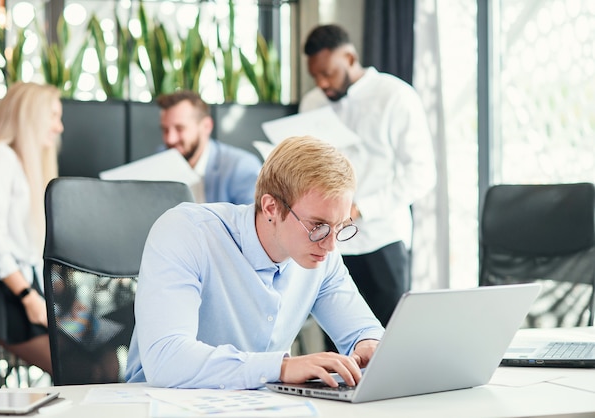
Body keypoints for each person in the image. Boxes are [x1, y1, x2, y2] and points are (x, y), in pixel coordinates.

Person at [125, 135, 384, 389]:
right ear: (271, 207)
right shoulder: (187, 232)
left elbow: (363, 331)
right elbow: (166, 359)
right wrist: (281, 368)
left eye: (339, 226)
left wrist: (369, 345)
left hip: (256, 406)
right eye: (318, 226)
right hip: (161, 403)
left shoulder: (322, 256)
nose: (331, 245)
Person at [300, 24, 436, 328]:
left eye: (328, 73)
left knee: (390, 339)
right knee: (335, 343)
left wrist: (360, 208)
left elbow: (422, 172)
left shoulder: (395, 96)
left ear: (349, 58)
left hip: (382, 237)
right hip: (331, 244)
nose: (322, 83)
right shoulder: (312, 104)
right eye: (316, 76)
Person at [0, 82, 64, 376]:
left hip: (18, 284)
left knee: (98, 358)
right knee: (77, 368)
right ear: (30, 115)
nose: (59, 127)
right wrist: (28, 297)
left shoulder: (20, 163)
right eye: (53, 116)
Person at [157, 90, 262, 204]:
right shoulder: (162, 158)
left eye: (180, 129)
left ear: (206, 126)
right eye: (165, 130)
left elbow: (251, 220)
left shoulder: (241, 167)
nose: (170, 139)